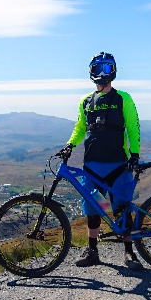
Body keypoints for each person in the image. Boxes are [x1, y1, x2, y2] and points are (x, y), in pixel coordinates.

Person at [58, 52, 143, 270]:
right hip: (92, 164)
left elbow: (133, 128)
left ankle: (130, 253)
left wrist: (134, 155)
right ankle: (92, 251)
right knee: (92, 208)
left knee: (122, 208)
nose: (102, 73)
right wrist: (70, 145)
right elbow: (80, 128)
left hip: (118, 164)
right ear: (91, 73)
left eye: (106, 68)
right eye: (97, 69)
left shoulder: (123, 98)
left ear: (113, 71)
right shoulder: (86, 101)